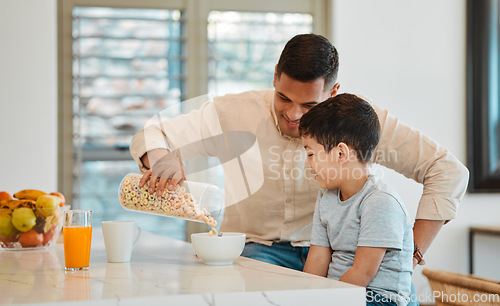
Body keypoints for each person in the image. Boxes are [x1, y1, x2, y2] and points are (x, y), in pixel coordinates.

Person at [130, 34, 468, 273]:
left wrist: (412, 252)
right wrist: (163, 157)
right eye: (284, 98)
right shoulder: (232, 113)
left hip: (342, 255)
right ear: (275, 76)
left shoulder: (360, 121)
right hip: (257, 251)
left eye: (309, 105)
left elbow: (447, 170)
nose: (293, 114)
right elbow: (150, 132)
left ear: (334, 91)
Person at [300, 94, 413, 306]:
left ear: (341, 153)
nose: (308, 165)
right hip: (341, 294)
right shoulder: (326, 197)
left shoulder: (380, 200)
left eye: (311, 154)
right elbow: (317, 259)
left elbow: (363, 273)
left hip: (377, 298)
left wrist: (324, 301)